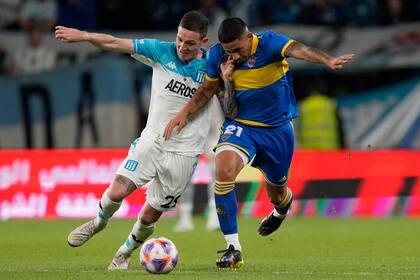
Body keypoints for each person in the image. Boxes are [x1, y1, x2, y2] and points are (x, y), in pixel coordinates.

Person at [164, 17, 354, 269]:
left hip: (277, 131)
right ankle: (234, 248)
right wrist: (183, 113)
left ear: (248, 37)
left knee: (277, 193)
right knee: (223, 169)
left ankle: (281, 209)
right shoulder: (218, 55)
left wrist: (327, 60)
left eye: (237, 49)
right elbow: (207, 92)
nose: (233, 56)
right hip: (241, 126)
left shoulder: (270, 43)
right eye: (228, 50)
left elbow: (301, 50)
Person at [55, 11, 220, 270]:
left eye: (189, 43)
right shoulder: (161, 51)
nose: (182, 47)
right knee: (117, 191)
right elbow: (115, 42)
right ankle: (99, 222)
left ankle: (124, 252)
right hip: (152, 141)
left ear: (203, 42)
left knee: (150, 213)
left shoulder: (213, 66)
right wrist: (85, 36)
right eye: (179, 39)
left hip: (185, 153)